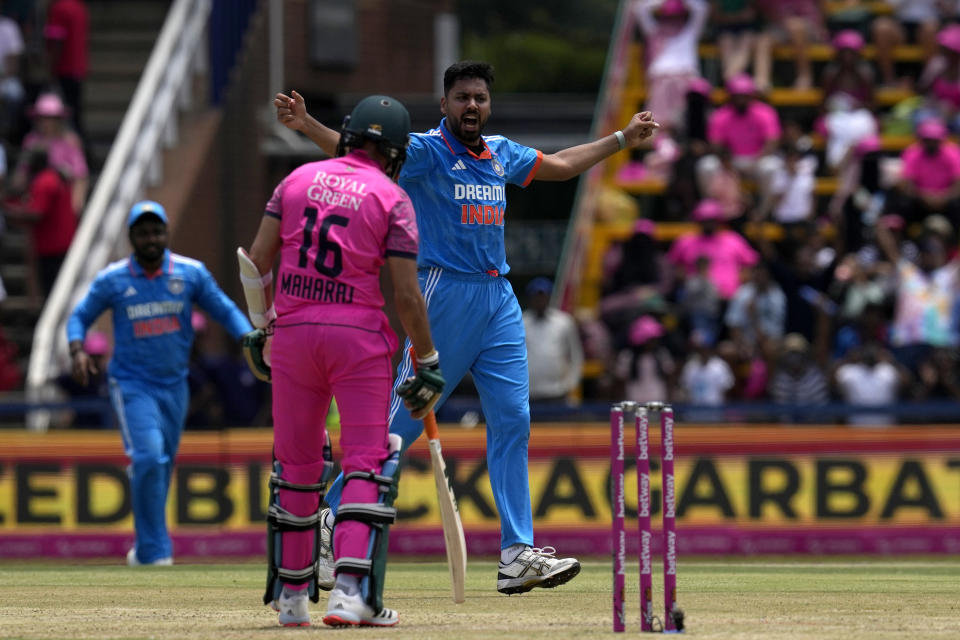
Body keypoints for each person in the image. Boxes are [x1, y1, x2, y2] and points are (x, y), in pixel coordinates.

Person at [274, 60, 659, 595]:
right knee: (398, 428)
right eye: (462, 98)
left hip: (499, 297)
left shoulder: (500, 153)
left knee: (514, 420)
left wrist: (621, 138)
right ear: (445, 104)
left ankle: (516, 553)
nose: (471, 106)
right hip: (444, 294)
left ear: (488, 103)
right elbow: (360, 160)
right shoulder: (429, 152)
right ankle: (331, 517)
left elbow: (564, 165)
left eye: (479, 97)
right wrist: (309, 126)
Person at [242, 95, 443, 627]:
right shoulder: (393, 198)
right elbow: (406, 295)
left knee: (297, 465)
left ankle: (290, 599)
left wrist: (260, 330)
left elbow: (255, 261)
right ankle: (351, 594)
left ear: (350, 134)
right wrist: (427, 359)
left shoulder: (295, 180)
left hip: (292, 334)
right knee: (366, 462)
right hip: (357, 339)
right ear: (396, 149)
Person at [66, 200, 253, 566]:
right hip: (132, 384)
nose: (151, 238)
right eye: (143, 232)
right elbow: (79, 316)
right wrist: (77, 350)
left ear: (166, 233)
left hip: (175, 385)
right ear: (131, 237)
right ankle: (155, 551)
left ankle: (143, 546)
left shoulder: (189, 273)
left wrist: (249, 339)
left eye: (157, 231)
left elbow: (223, 309)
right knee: (150, 456)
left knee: (160, 465)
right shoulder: (114, 279)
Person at [3, 147, 76, 294]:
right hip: (58, 245)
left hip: (54, 248)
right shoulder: (52, 177)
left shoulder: (45, 181)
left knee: (53, 290)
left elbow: (36, 214)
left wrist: (7, 212)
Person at [632, 0, 709, 134]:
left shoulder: (689, 32)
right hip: (661, 80)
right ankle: (661, 148)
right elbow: (640, 9)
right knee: (658, 122)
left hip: (685, 79)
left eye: (676, 16)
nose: (672, 20)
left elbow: (701, 9)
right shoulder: (654, 32)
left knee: (683, 121)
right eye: (668, 17)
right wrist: (663, 2)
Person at [13, 92, 88, 212]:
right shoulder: (31, 140)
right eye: (42, 118)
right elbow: (22, 172)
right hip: (37, 199)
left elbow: (80, 176)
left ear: (59, 120)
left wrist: (76, 205)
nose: (46, 122)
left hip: (62, 200)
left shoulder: (70, 141)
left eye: (50, 118)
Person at [522, 277, 584, 404]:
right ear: (530, 298)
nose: (540, 300)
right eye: (536, 296)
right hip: (528, 392)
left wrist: (571, 383)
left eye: (543, 296)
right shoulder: (520, 322)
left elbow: (576, 355)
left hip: (557, 391)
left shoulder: (564, 322)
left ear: (549, 297)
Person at [43, 0, 87, 137]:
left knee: (68, 115)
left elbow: (57, 41)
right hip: (78, 67)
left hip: (64, 68)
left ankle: (79, 150)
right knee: (76, 114)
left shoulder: (59, 8)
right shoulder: (80, 7)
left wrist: (51, 67)